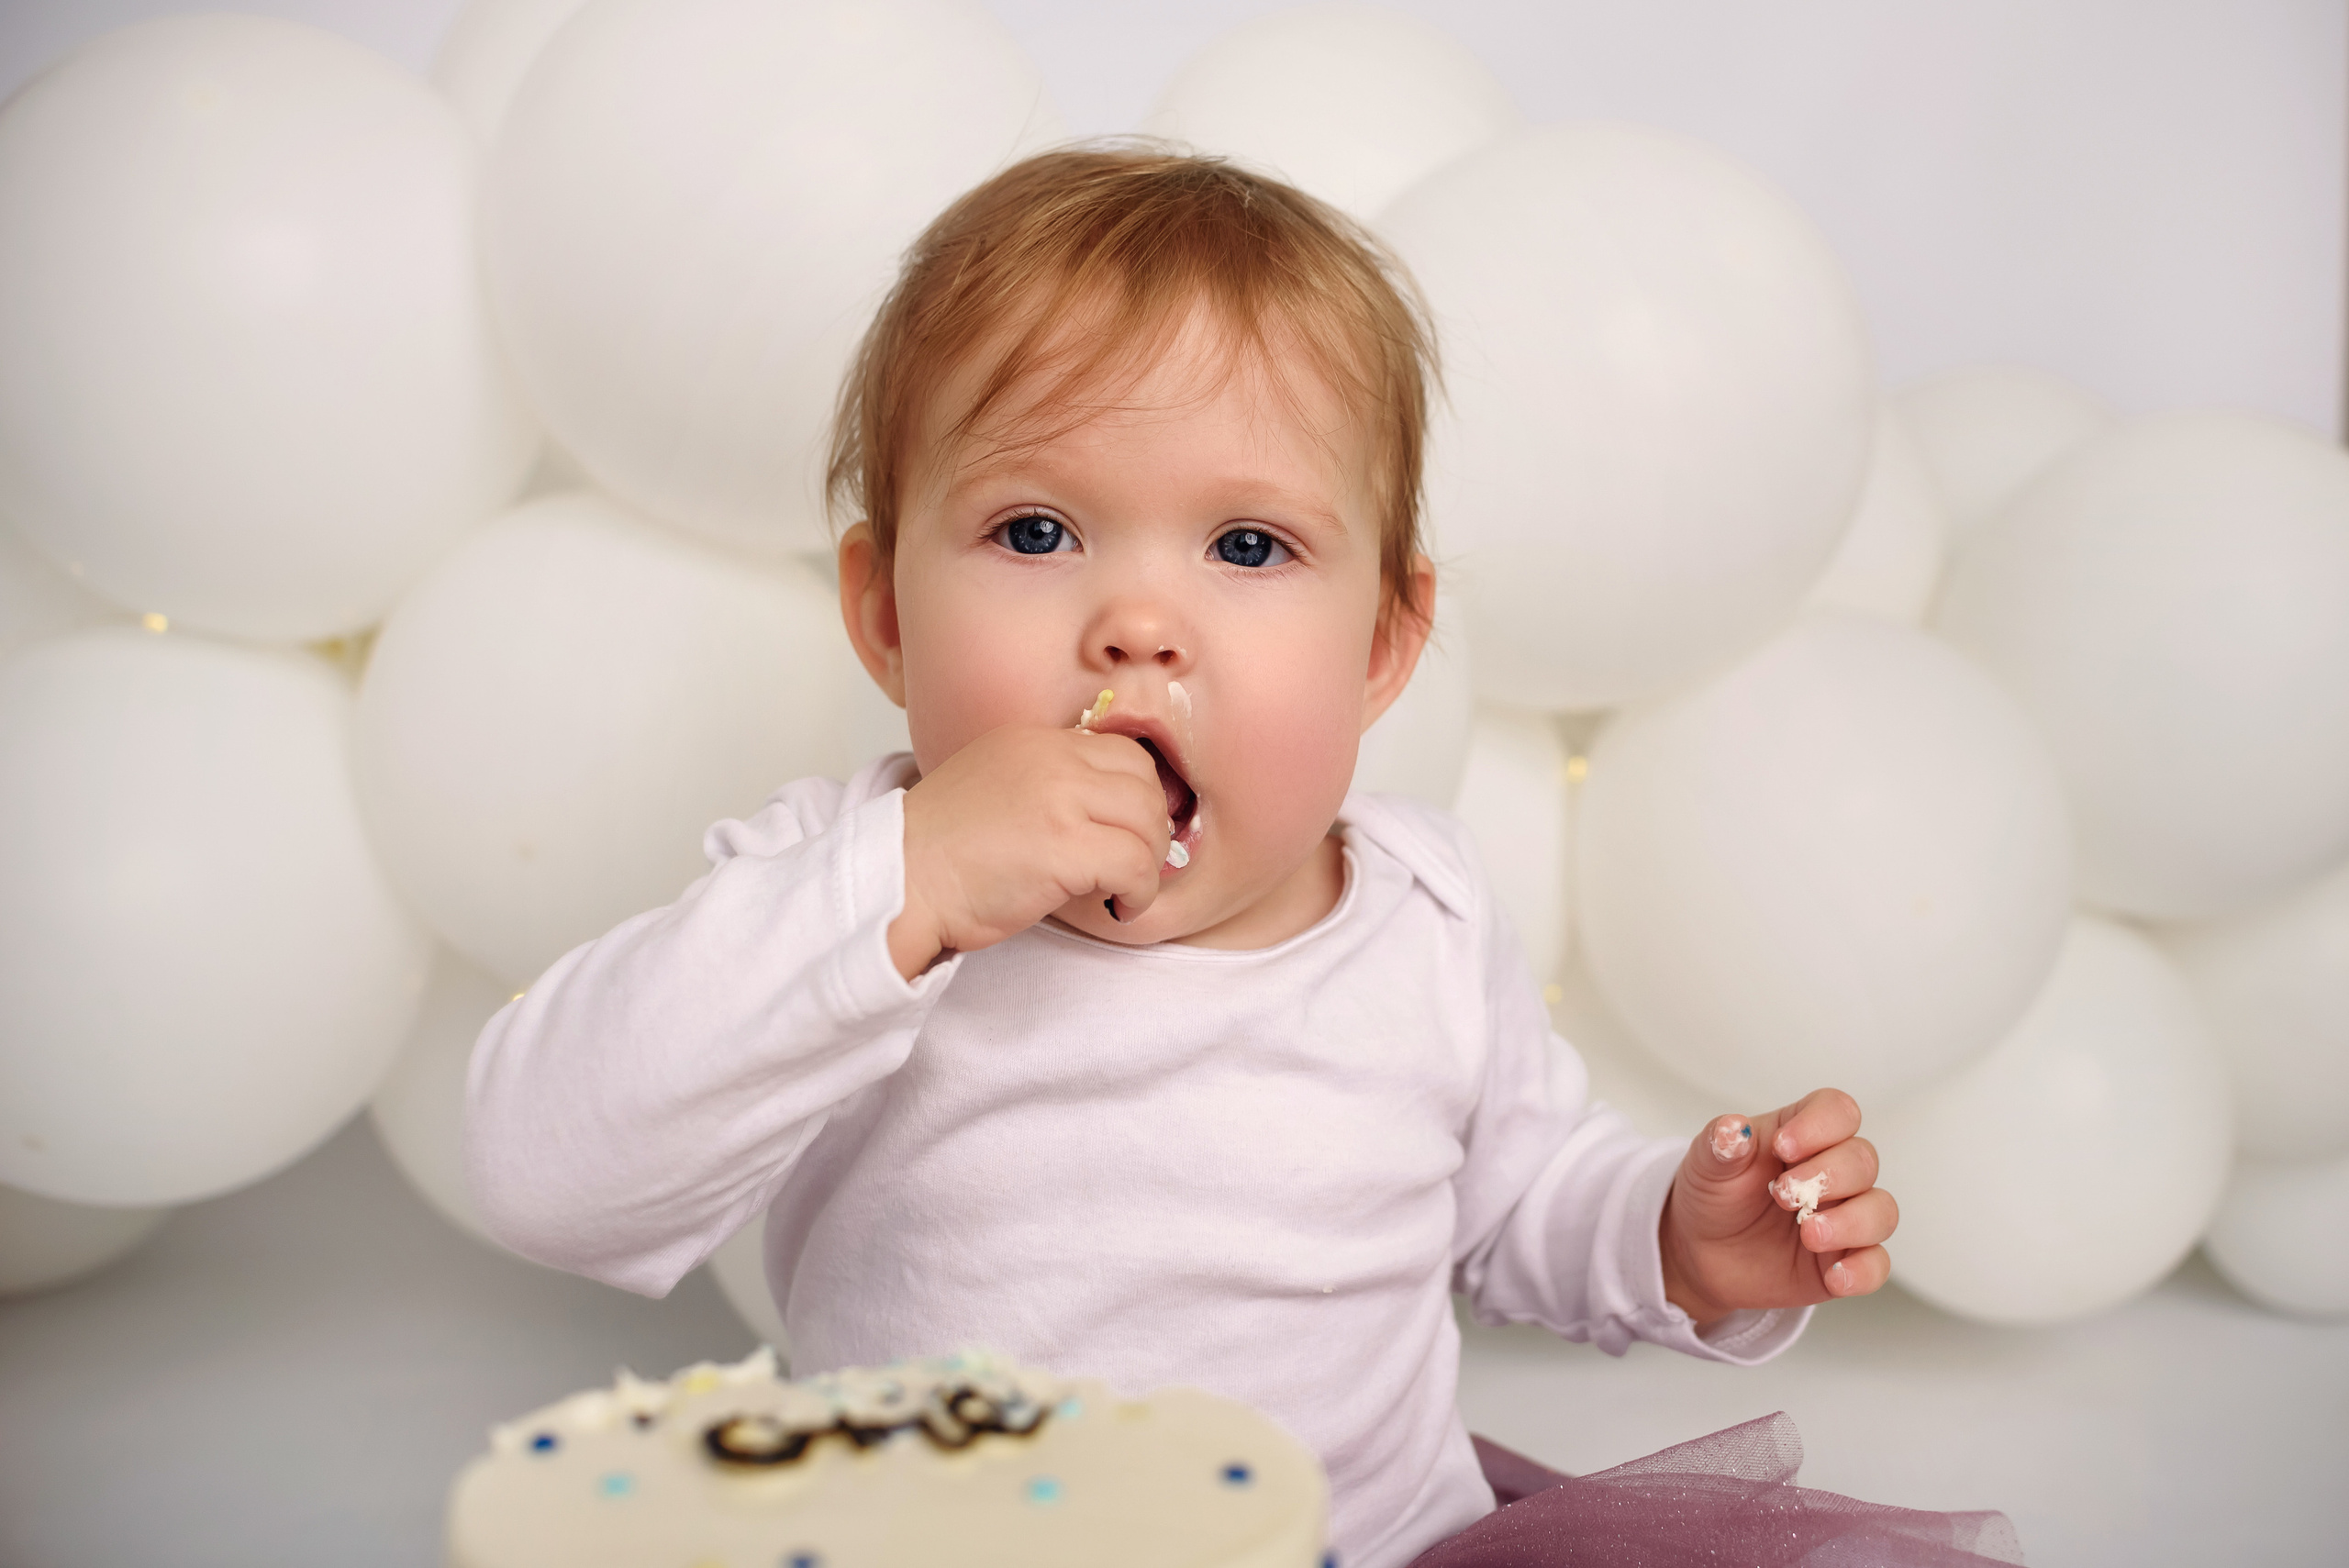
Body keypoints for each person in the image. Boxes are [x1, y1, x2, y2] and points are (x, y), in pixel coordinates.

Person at [465, 146, 1904, 1568]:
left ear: (1384, 643)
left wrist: (1678, 1240)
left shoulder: (1422, 916)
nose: (1139, 624)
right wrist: (904, 884)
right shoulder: (846, 890)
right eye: (1036, 530)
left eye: (1249, 545)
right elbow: (548, 1170)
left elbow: (1526, 1206)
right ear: (886, 615)